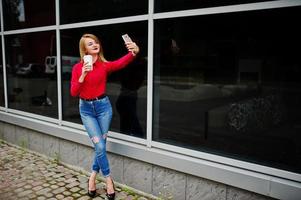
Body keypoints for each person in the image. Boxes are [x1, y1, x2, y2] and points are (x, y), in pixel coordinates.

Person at [70, 33, 139, 199]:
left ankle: (92, 176)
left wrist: (134, 52)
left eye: (96, 42)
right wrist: (83, 75)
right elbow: (74, 92)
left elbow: (121, 63)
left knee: (100, 146)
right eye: (90, 43)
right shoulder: (78, 68)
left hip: (103, 109)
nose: (95, 45)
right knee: (100, 146)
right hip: (86, 110)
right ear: (84, 49)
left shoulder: (104, 65)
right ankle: (108, 179)